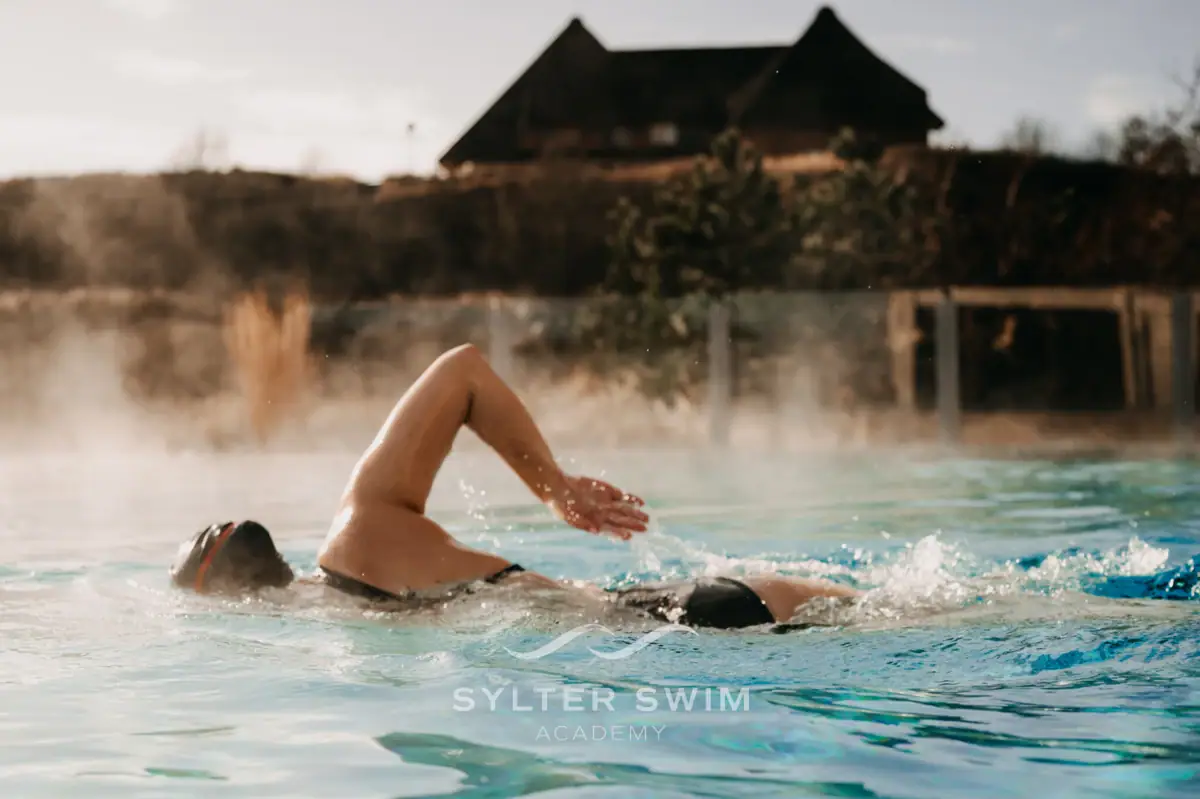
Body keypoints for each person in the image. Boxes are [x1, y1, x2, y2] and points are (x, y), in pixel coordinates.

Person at [170, 344, 858, 629]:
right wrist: (552, 488)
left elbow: (464, 367)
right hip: (691, 608)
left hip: (674, 628)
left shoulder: (342, 619)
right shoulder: (360, 536)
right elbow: (463, 371)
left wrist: (557, 488)